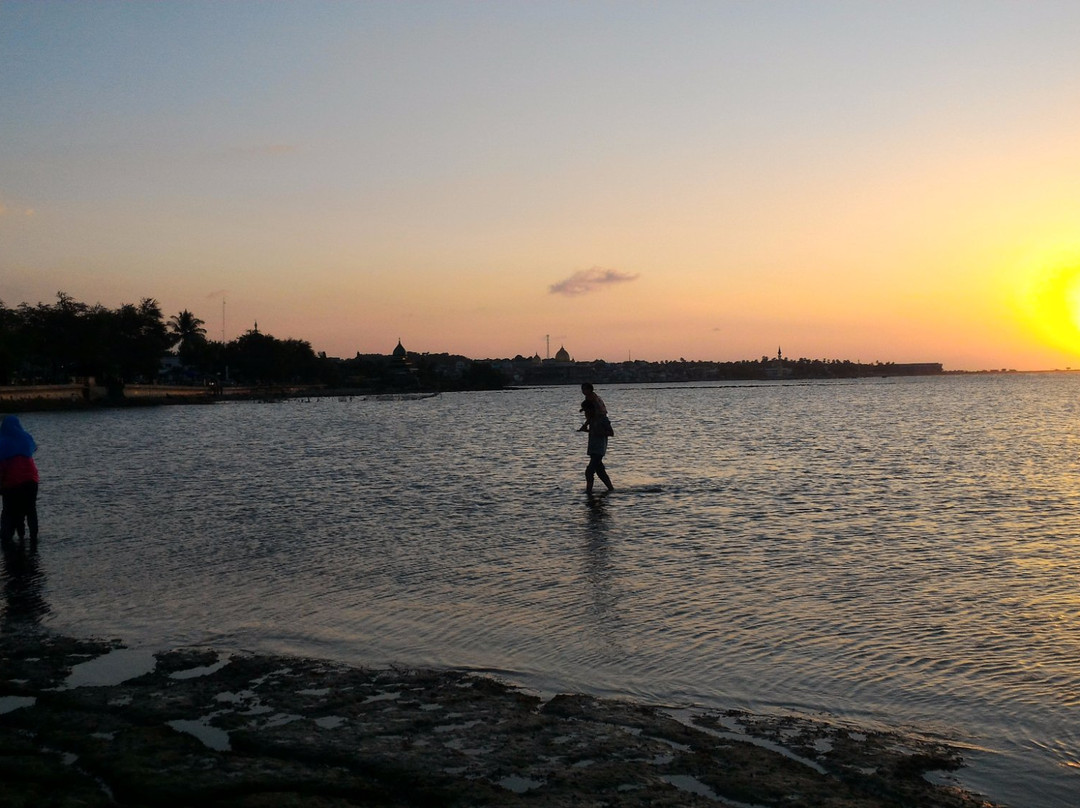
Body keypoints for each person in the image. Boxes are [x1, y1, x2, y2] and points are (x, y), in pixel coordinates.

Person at [0, 416, 39, 548]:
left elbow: (2, 468)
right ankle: (33, 539)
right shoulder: (26, 438)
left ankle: (13, 539)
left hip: (12, 483)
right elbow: (33, 451)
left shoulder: (2, 443)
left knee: (10, 511)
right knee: (31, 510)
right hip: (31, 481)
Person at [579, 399, 614, 495]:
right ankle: (611, 490)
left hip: (599, 449)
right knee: (600, 471)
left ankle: (588, 492)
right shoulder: (591, 419)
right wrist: (586, 429)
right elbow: (592, 431)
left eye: (586, 411)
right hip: (592, 449)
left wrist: (598, 432)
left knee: (589, 471)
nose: (585, 414)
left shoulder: (603, 419)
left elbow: (611, 433)